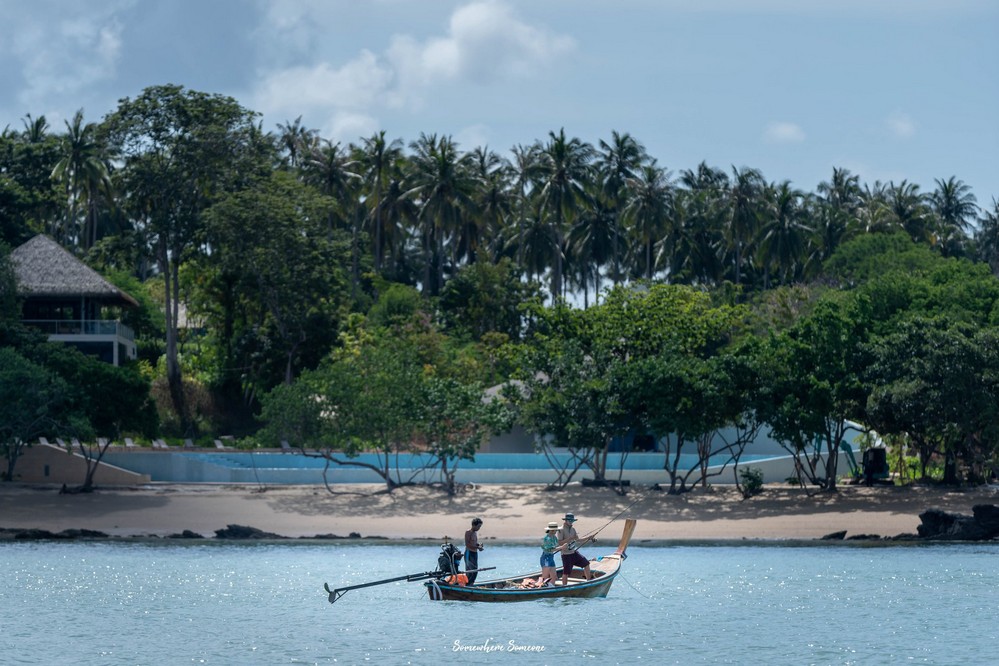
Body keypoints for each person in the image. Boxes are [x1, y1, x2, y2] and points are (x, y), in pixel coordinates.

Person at [557, 512, 594, 586]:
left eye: (572, 521)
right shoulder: (560, 530)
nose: (571, 522)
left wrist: (589, 538)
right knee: (566, 572)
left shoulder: (573, 529)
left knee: (586, 564)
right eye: (569, 520)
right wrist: (570, 538)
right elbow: (559, 543)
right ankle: (564, 587)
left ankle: (588, 582)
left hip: (574, 553)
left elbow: (578, 540)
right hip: (566, 555)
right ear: (565, 520)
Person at [464, 517, 485, 584]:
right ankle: (467, 585)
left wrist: (479, 545)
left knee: (475, 571)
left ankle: (471, 584)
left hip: (474, 554)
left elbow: (474, 543)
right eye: (478, 526)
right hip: (469, 553)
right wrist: (478, 547)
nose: (479, 528)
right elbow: (468, 544)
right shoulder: (468, 532)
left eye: (480, 526)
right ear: (473, 525)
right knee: (470, 571)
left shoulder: (475, 533)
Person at [540, 521, 560, 586]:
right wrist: (561, 547)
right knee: (545, 577)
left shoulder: (554, 537)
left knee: (554, 576)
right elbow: (550, 549)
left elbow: (556, 546)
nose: (556, 531)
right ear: (552, 530)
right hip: (546, 558)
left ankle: (552, 587)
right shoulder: (547, 538)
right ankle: (542, 588)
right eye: (556, 530)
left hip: (551, 558)